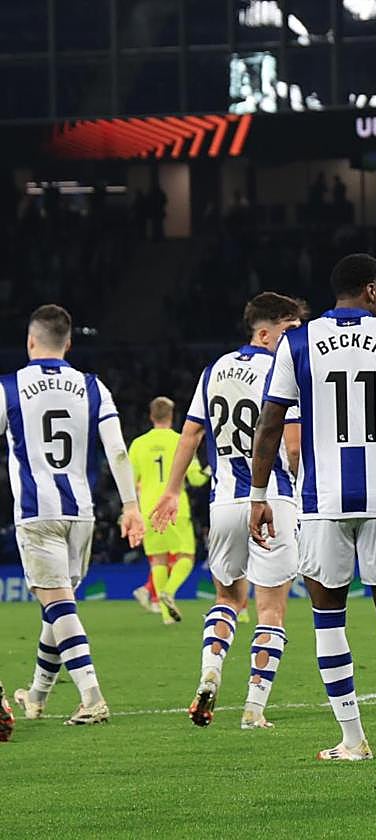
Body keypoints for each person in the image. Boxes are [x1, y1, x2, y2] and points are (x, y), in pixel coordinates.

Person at [249, 254, 376, 762]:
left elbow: (270, 423)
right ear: (370, 291)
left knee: (329, 620)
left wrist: (259, 496)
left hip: (322, 503)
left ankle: (353, 739)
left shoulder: (298, 342)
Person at [151, 292, 307, 729]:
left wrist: (171, 491)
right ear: (265, 333)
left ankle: (210, 672)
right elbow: (293, 445)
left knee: (228, 598)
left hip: (223, 503)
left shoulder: (214, 370)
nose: (295, 340)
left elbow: (190, 435)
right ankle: (254, 708)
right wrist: (302, 489)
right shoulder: (284, 371)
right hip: (271, 499)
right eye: (289, 331)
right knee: (270, 608)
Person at [3, 305, 144, 726]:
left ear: (31, 341)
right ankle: (37, 695)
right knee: (59, 606)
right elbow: (117, 451)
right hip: (81, 514)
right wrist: (131, 506)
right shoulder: (93, 387)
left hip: (37, 513)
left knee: (58, 605)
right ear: (68, 344)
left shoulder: (10, 387)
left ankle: (92, 697)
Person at [128, 397, 209, 624]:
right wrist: (209, 470)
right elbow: (196, 479)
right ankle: (169, 591)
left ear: (151, 416)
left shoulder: (138, 444)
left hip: (149, 508)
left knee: (158, 560)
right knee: (187, 556)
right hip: (176, 507)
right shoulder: (181, 441)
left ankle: (167, 616)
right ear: (172, 416)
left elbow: (130, 481)